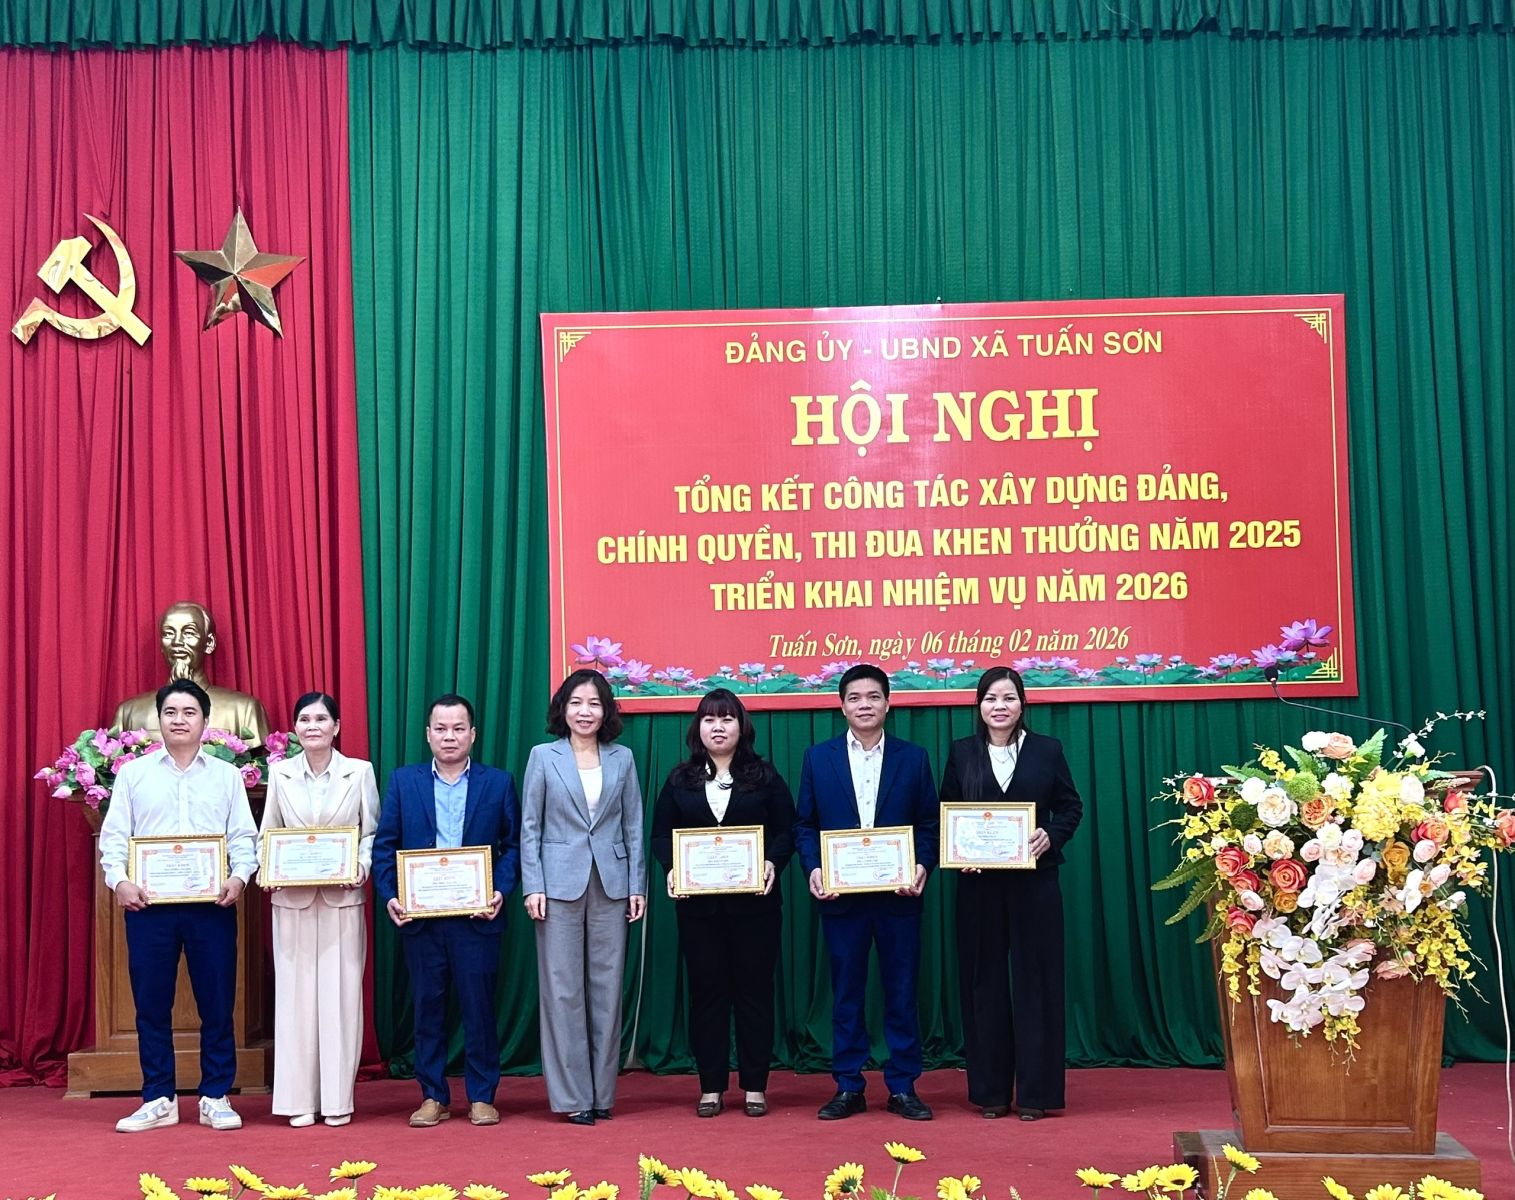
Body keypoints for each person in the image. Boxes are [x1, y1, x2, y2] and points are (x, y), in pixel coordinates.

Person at [99, 679, 258, 1133]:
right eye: (170, 712)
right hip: (149, 907)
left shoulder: (226, 775)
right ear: (159, 720)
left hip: (212, 904)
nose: (179, 720)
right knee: (151, 1005)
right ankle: (158, 1098)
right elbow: (114, 837)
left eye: (189, 712)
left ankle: (215, 1096)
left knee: (217, 1003)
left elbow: (243, 837)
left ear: (205, 721)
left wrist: (238, 877)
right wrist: (120, 881)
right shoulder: (134, 774)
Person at [795, 663, 939, 1121]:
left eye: (873, 696)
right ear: (842, 706)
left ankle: (903, 1086)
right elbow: (805, 824)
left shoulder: (913, 758)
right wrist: (815, 868)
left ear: (888, 704)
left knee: (902, 992)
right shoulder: (818, 758)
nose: (864, 705)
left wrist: (922, 864)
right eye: (854, 698)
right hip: (842, 899)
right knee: (846, 994)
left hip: (899, 897)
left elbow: (929, 823)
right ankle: (848, 1085)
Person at [940, 666, 1083, 1121]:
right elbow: (946, 811)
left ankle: (1037, 1093)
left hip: (1035, 882)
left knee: (1037, 981)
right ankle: (991, 1092)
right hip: (978, 884)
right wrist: (958, 850)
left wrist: (1051, 835)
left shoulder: (1047, 750)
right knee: (983, 982)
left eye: (1008, 697)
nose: (999, 706)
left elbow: (1071, 806)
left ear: (1022, 704)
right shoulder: (962, 752)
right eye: (990, 698)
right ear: (978, 705)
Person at [372, 693, 519, 1128]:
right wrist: (391, 895)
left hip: (478, 917)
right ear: (428, 734)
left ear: (473, 734)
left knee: (479, 1009)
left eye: (458, 728)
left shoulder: (498, 783)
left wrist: (500, 891)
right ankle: (432, 1095)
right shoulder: (404, 782)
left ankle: (482, 1096)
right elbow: (385, 846)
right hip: (422, 918)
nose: (449, 736)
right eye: (441, 728)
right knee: (427, 1008)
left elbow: (512, 847)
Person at [651, 688, 796, 1118]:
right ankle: (711, 1085)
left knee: (754, 994)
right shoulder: (679, 779)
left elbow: (788, 829)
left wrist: (772, 862)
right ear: (698, 728)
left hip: (756, 909)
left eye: (727, 719)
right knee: (707, 995)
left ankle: (755, 1086)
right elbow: (660, 834)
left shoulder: (764, 776)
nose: (718, 727)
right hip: (699, 911)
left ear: (741, 726)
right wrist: (671, 868)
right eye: (710, 719)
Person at [520, 669, 646, 1125]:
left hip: (612, 883)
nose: (585, 712)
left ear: (606, 710)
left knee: (608, 989)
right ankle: (573, 1097)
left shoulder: (622, 758)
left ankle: (602, 1093)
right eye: (576, 703)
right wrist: (533, 885)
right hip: (557, 885)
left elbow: (633, 825)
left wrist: (636, 886)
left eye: (594, 703)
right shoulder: (543, 756)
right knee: (563, 990)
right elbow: (530, 826)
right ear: (563, 709)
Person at [258, 691, 379, 1128]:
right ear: (294, 729)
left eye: (321, 719)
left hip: (341, 900)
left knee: (340, 999)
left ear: (337, 727)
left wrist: (360, 867)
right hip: (291, 900)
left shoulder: (359, 772)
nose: (313, 726)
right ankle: (299, 1101)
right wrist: (268, 868)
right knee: (294, 1000)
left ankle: (337, 1100)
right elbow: (267, 834)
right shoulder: (280, 773)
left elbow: (372, 832)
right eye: (305, 719)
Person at [112, 601, 272, 746]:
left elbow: (257, 763)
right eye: (168, 633)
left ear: (209, 643)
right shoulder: (128, 713)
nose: (177, 642)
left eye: (189, 633)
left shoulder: (244, 710)